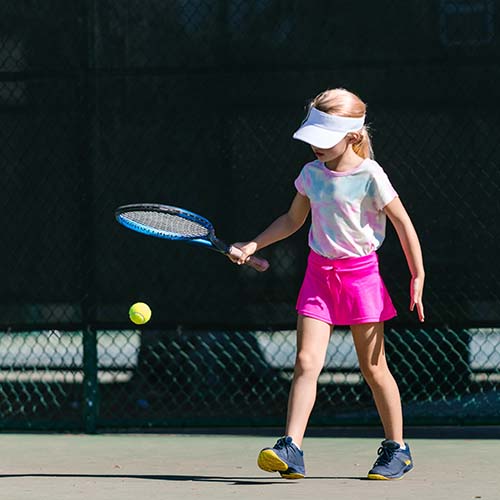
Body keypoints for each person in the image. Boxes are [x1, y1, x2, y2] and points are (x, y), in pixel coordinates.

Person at [230, 88, 425, 480]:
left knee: (373, 368)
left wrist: (417, 274)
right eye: (313, 138)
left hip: (361, 278)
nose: (315, 148)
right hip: (319, 278)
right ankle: (292, 448)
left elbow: (403, 224)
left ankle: (396, 449)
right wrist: (253, 243)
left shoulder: (371, 175)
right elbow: (292, 220)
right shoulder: (310, 176)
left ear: (352, 136)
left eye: (324, 139)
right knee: (305, 362)